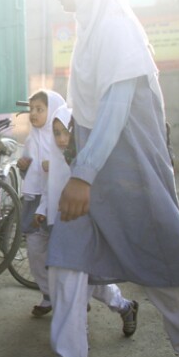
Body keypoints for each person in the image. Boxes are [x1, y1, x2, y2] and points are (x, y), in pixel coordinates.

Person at [12, 0, 179, 357]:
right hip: (90, 169)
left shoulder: (118, 30)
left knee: (157, 265)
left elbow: (116, 109)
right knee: (67, 258)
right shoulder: (89, 33)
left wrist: (83, 176)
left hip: (128, 172)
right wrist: (78, 168)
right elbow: (86, 117)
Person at [36, 105, 139, 336]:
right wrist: (43, 209)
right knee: (81, 286)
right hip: (63, 228)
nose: (62, 139)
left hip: (87, 230)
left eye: (67, 132)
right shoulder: (58, 159)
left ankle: (76, 350)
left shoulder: (90, 162)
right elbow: (49, 189)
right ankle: (123, 308)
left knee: (84, 286)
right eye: (57, 133)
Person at [16, 89, 66, 317]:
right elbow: (30, 173)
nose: (33, 114)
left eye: (40, 109)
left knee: (62, 257)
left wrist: (55, 168)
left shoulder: (62, 137)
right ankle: (48, 295)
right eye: (31, 110)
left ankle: (72, 298)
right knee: (35, 252)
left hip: (57, 203)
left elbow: (71, 171)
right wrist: (24, 167)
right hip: (34, 199)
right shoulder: (31, 138)